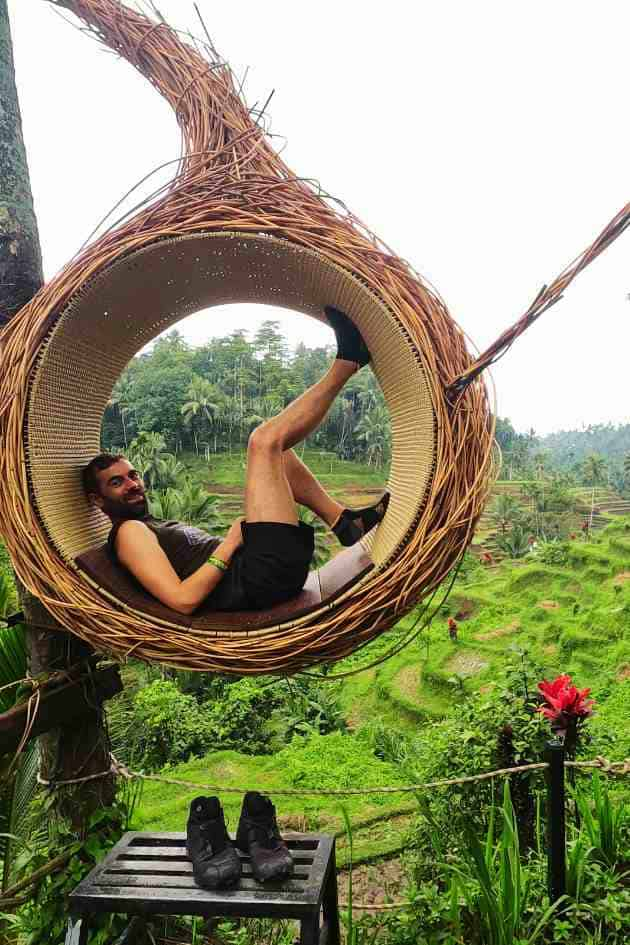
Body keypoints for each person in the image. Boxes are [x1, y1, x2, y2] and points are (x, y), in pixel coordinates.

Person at [82, 307, 389, 614]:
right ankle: (347, 364)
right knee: (263, 441)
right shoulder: (128, 532)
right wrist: (230, 543)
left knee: (277, 453)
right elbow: (182, 600)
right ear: (97, 500)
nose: (132, 484)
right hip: (257, 579)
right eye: (117, 482)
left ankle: (344, 523)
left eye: (133, 475)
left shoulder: (147, 525)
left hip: (257, 570)